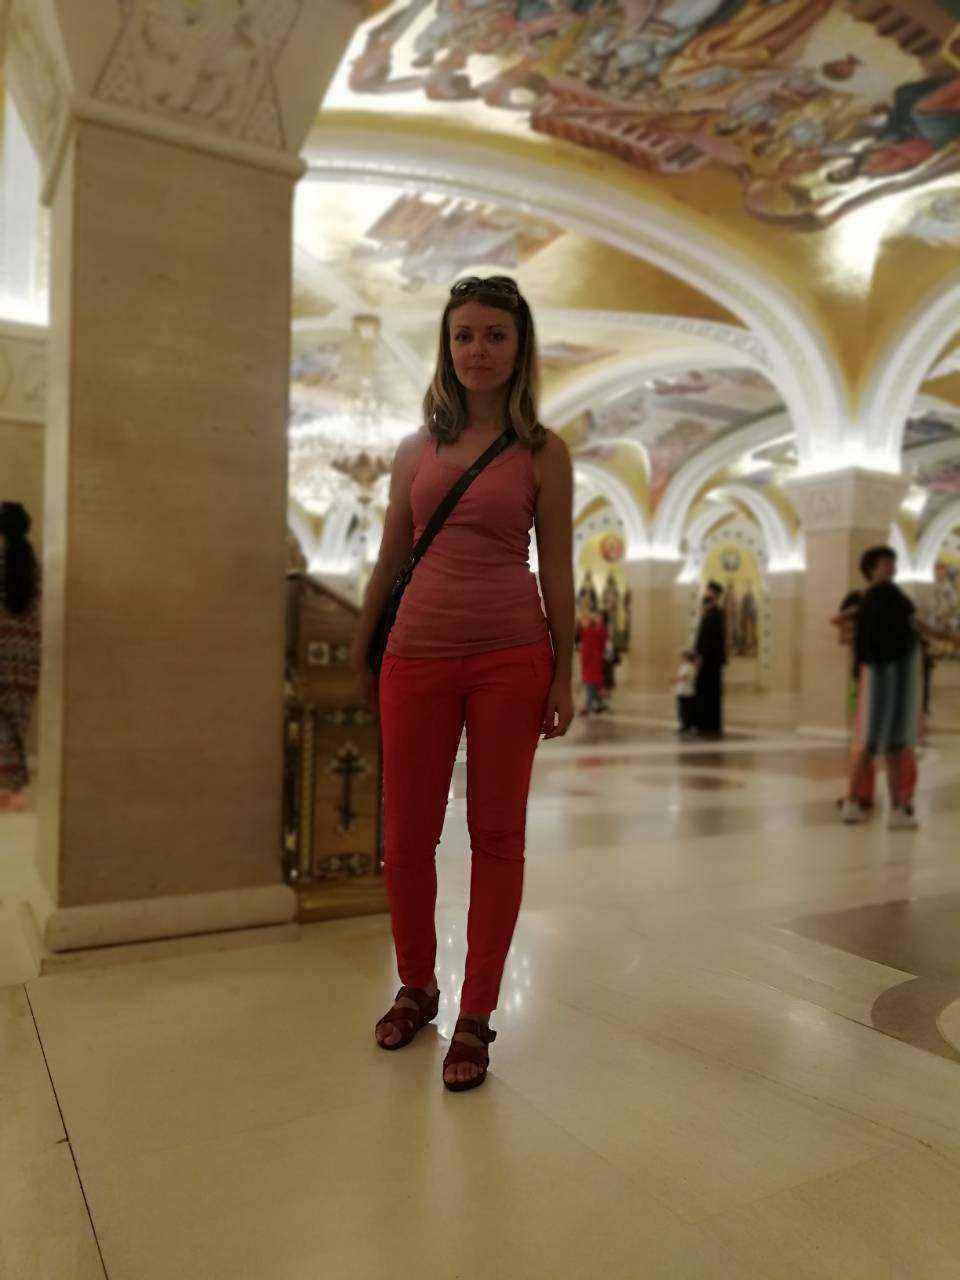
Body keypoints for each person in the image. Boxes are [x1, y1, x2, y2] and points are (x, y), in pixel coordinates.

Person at [349, 275, 575, 1093]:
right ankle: (417, 985)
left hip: (512, 654)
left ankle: (476, 1012)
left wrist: (567, 671)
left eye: (494, 335)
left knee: (497, 835)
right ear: (447, 348)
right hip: (416, 654)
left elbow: (559, 567)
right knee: (406, 836)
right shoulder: (416, 449)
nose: (478, 350)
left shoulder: (544, 452)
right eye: (464, 335)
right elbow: (389, 558)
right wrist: (362, 646)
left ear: (520, 347)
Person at [841, 546, 953, 830]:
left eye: (893, 562)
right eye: (885, 563)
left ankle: (896, 808)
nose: (892, 567)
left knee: (895, 745)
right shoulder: (870, 600)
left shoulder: (896, 597)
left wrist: (946, 636)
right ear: (871, 569)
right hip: (878, 676)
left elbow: (915, 623)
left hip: (899, 676)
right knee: (868, 742)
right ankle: (853, 802)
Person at [0, 502, 41, 811]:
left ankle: (10, 789)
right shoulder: (33, 564)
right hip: (27, 651)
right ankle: (12, 788)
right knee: (16, 718)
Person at [831, 587, 875, 812]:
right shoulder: (864, 632)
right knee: (861, 741)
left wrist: (856, 611)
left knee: (862, 742)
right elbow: (840, 633)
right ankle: (863, 792)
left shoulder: (866, 627)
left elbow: (835, 620)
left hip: (864, 683)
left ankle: (859, 794)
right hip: (859, 681)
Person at [694, 579, 726, 738]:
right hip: (705, 660)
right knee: (703, 692)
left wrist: (702, 656)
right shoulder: (708, 612)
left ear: (714, 594)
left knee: (710, 693)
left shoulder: (717, 614)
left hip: (711, 662)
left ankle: (711, 725)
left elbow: (712, 640)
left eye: (707, 590)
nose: (705, 593)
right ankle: (703, 723)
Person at [578, 607, 607, 716]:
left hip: (591, 664)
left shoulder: (588, 634)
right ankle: (599, 704)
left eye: (584, 621)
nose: (582, 622)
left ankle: (587, 707)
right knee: (594, 686)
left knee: (590, 686)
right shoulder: (595, 632)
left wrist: (584, 662)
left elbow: (586, 652)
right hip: (596, 663)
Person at [673, 648, 698, 737]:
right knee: (685, 709)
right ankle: (686, 725)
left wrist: (674, 680)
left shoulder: (688, 666)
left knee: (684, 710)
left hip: (685, 691)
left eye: (682, 656)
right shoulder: (689, 666)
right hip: (684, 690)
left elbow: (684, 677)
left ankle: (685, 726)